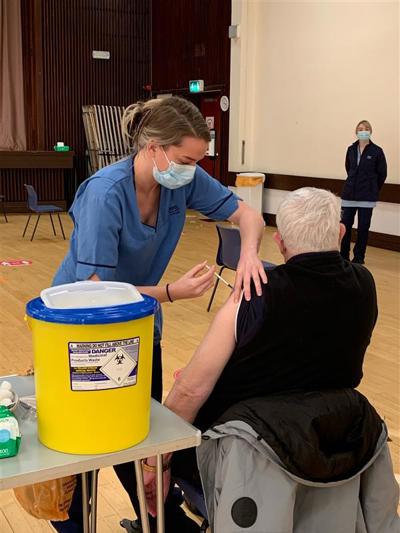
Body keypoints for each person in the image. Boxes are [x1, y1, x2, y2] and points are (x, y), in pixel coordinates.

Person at [51, 96, 266, 532]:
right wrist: (170, 292)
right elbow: (96, 295)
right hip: (81, 332)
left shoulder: (180, 181)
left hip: (140, 322)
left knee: (142, 434)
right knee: (88, 447)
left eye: (198, 161)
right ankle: (78, 523)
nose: (192, 169)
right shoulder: (105, 194)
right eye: (187, 159)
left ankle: (158, 517)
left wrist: (249, 257)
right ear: (154, 148)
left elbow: (249, 215)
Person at [143, 188, 398, 530]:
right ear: (340, 233)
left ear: (279, 242)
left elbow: (190, 391)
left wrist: (154, 464)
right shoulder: (365, 285)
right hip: (332, 443)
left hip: (248, 449)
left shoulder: (254, 293)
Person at [340, 119, 387, 264]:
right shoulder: (351, 149)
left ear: (370, 132)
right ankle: (343, 256)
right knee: (344, 227)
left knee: (363, 229)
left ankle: (359, 258)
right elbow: (349, 169)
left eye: (366, 128)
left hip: (367, 197)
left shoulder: (377, 151)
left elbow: (382, 174)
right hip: (349, 195)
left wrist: (372, 188)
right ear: (356, 132)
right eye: (360, 129)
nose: (363, 131)